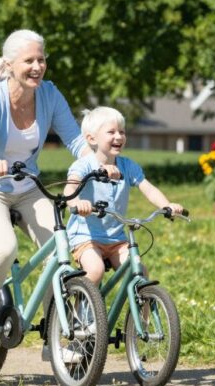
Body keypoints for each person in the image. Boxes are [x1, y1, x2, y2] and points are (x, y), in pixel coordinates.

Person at [0, 30, 99, 356]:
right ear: (10, 65)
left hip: (28, 188)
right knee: (4, 248)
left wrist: (101, 163)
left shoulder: (49, 95)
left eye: (41, 59)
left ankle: (57, 338)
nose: (38, 66)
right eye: (29, 60)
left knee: (62, 253)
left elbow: (76, 142)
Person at [64, 107, 184, 285]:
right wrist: (77, 203)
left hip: (116, 238)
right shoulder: (83, 165)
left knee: (139, 274)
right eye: (111, 132)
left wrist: (166, 205)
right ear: (91, 138)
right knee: (95, 271)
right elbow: (70, 188)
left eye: (122, 132)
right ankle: (80, 310)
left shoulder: (127, 166)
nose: (119, 136)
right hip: (86, 236)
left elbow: (148, 188)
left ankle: (143, 313)